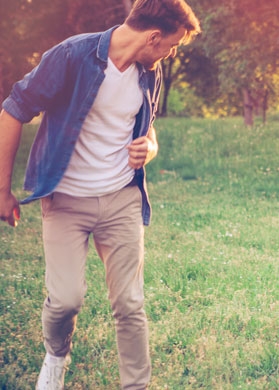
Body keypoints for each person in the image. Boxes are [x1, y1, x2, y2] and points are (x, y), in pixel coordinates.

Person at [0, 1, 200, 388]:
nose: (171, 54)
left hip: (121, 197)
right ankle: (56, 358)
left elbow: (147, 127)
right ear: (154, 37)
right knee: (65, 301)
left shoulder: (149, 72)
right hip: (66, 201)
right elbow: (12, 110)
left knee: (130, 303)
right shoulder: (72, 56)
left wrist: (151, 149)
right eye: (171, 46)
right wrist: (1, 189)